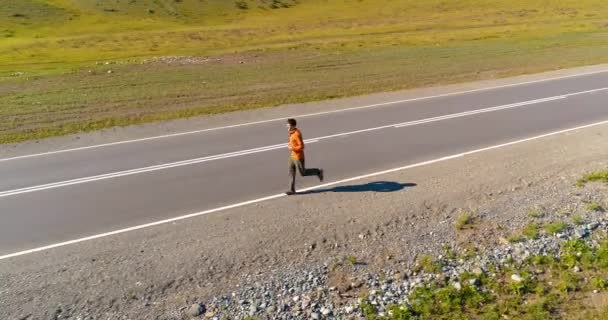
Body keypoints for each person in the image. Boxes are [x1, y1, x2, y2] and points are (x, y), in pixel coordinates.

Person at [286, 118, 323, 195]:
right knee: (291, 172)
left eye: (289, 126)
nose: (287, 127)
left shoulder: (297, 134)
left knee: (303, 173)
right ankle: (291, 189)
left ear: (293, 126)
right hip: (292, 156)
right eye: (287, 125)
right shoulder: (291, 132)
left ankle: (318, 172)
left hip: (298, 157)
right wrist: (291, 145)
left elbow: (302, 146)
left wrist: (292, 147)